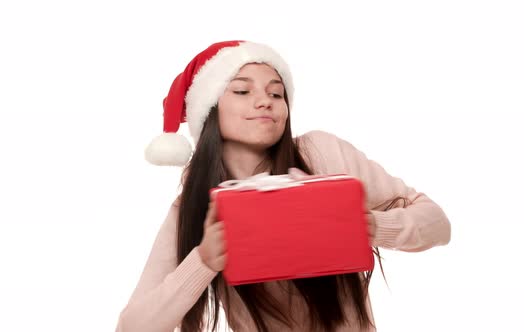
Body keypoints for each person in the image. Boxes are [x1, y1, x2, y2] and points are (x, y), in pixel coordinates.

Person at [116, 40, 451, 332]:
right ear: (210, 110)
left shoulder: (322, 153)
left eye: (276, 92)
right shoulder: (193, 207)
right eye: (243, 90)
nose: (265, 101)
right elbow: (132, 328)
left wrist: (368, 225)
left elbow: (438, 225)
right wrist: (203, 261)